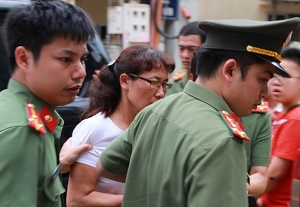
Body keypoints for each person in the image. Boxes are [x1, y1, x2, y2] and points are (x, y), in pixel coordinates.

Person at [96, 18, 300, 207]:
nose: (265, 92)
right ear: (229, 70)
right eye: (263, 79)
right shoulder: (222, 140)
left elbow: (106, 166)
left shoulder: (156, 110)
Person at [0, 0, 96, 206]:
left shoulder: (19, 110)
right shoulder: (22, 129)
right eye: (66, 59)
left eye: (83, 59)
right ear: (24, 59)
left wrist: (57, 166)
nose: (81, 72)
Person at [66, 44, 175, 207]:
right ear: (125, 81)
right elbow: (77, 200)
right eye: (154, 83)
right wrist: (138, 199)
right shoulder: (95, 129)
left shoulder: (158, 128)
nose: (160, 93)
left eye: (165, 85)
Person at [189, 49, 272, 203]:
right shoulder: (185, 113)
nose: (265, 92)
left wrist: (227, 185)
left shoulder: (258, 116)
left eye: (266, 81)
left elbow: (260, 177)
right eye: (262, 80)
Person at [258, 47, 300, 207]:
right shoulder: (284, 116)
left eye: (284, 76)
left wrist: (245, 197)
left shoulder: (296, 119)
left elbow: (274, 175)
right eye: (273, 76)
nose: (276, 82)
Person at [166, 21, 206, 95]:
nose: (185, 55)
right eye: (181, 49)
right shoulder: (174, 84)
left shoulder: (216, 84)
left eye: (191, 49)